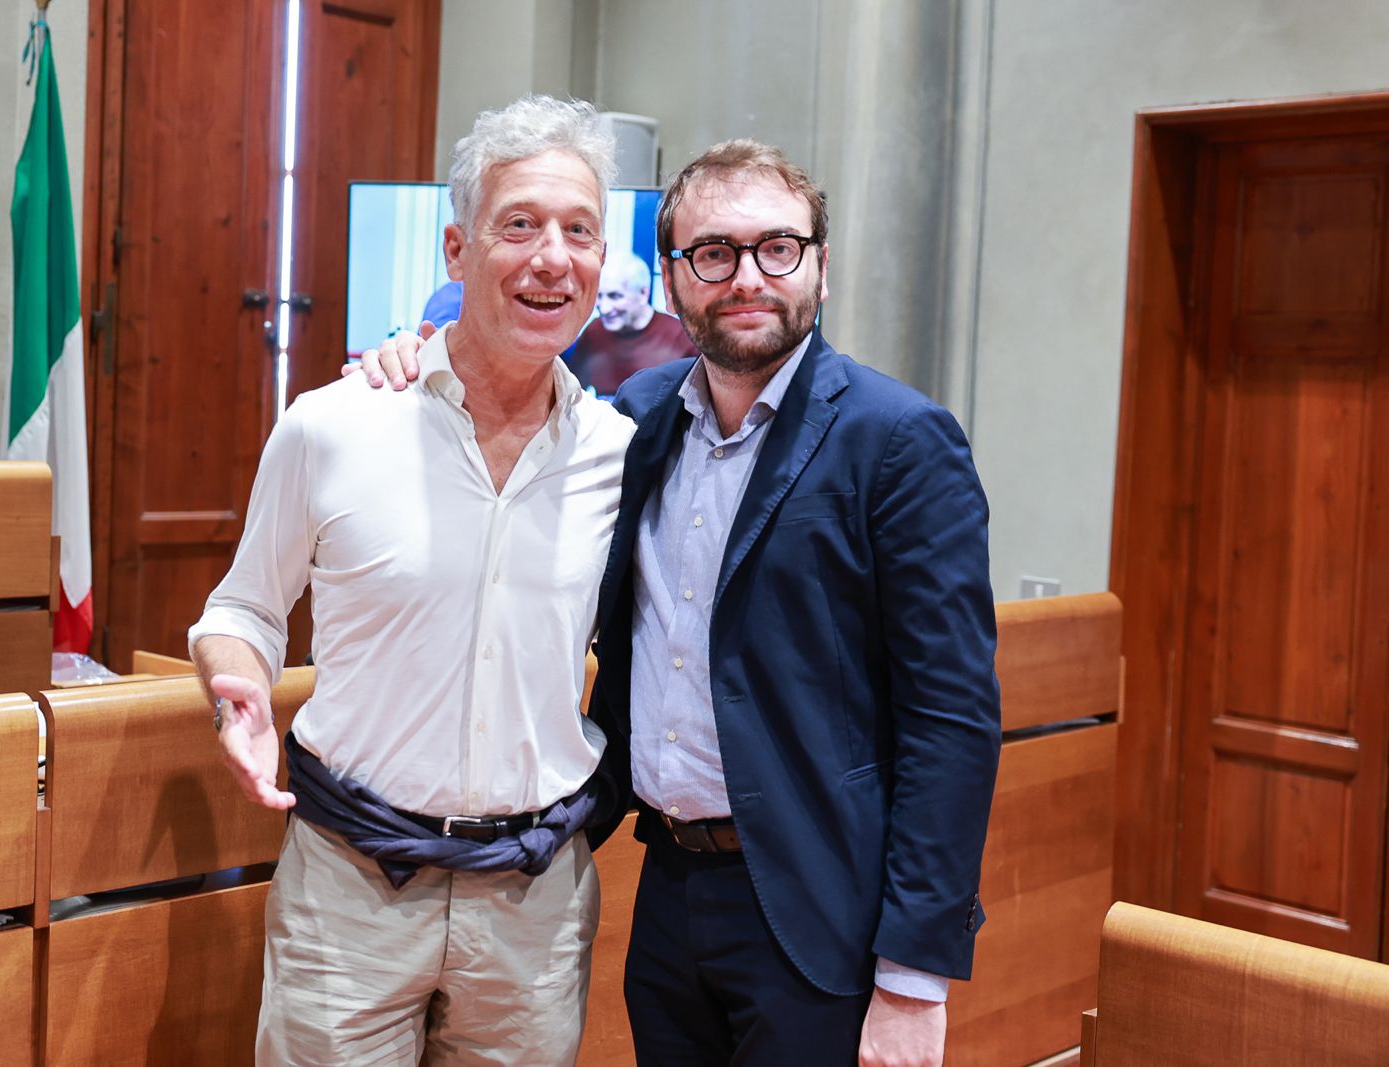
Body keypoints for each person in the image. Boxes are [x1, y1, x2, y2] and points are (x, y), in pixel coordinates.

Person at [361, 139, 1000, 1067]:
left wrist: (914, 976)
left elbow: (952, 719)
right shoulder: (636, 418)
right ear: (672, 279)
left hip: (820, 904)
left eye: (777, 247)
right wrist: (418, 360)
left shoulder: (899, 440)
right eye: (713, 252)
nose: (747, 277)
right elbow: (504, 400)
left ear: (821, 266)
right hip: (667, 888)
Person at [188, 94, 635, 1067]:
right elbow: (242, 608)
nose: (552, 256)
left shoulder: (621, 454)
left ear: (603, 261)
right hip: (350, 890)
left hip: (533, 902)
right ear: (457, 250)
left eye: (579, 231)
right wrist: (237, 691)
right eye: (519, 224)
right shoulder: (335, 424)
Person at [566, 250, 697, 394]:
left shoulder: (681, 337)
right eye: (599, 296)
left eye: (614, 296)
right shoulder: (594, 331)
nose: (604, 308)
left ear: (643, 293)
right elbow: (571, 391)